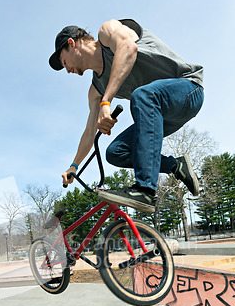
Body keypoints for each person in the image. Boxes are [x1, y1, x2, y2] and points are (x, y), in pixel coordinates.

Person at [49, 19, 204, 213]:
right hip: (163, 116)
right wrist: (74, 165)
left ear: (72, 44)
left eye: (64, 62)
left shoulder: (107, 32)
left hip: (189, 89)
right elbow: (89, 132)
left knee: (143, 95)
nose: (67, 70)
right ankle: (176, 165)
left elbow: (129, 48)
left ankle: (145, 190)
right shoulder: (95, 90)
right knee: (115, 151)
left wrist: (107, 102)